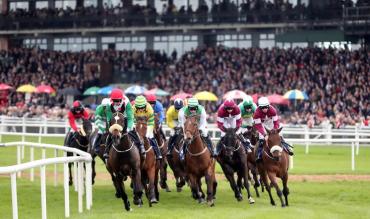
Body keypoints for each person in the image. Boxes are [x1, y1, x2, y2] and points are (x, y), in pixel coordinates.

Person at [92, 89, 145, 159]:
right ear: (111, 100)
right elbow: (109, 119)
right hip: (115, 117)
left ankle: (140, 146)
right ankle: (106, 151)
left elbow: (129, 117)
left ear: (121, 99)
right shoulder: (109, 104)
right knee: (111, 133)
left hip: (125, 115)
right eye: (114, 101)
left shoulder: (126, 102)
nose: (116, 103)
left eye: (118, 101)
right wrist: (112, 128)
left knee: (132, 129)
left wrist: (128, 127)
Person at [254, 97, 294, 163]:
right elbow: (258, 125)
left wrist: (274, 131)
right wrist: (264, 135)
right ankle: (259, 154)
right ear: (259, 107)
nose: (264, 109)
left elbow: (276, 122)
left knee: (279, 136)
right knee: (261, 139)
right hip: (263, 126)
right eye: (262, 108)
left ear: (268, 105)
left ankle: (287, 148)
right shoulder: (256, 113)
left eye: (266, 107)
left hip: (272, 125)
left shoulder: (272, 110)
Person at [133, 95, 163, 160]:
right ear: (135, 106)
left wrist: (148, 133)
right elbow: (133, 121)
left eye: (142, 107)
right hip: (138, 124)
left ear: (145, 104)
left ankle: (158, 153)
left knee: (151, 136)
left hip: (147, 124)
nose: (140, 109)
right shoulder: (133, 108)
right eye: (138, 107)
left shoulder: (150, 109)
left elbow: (151, 122)